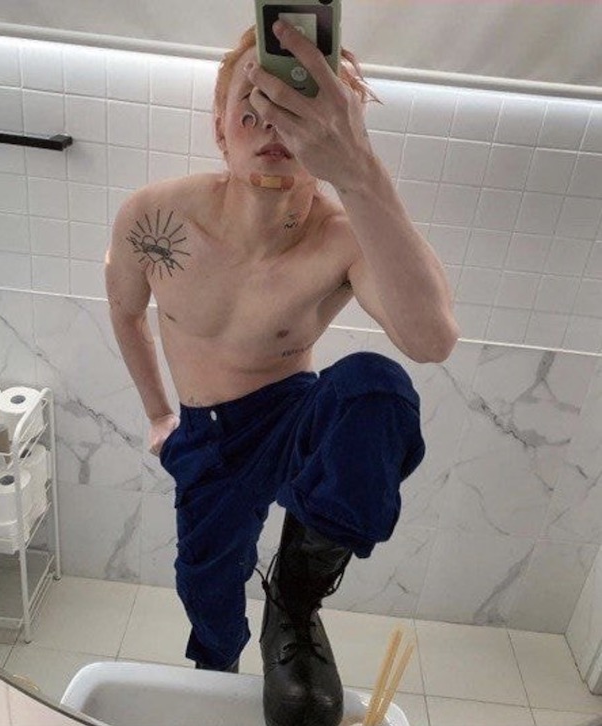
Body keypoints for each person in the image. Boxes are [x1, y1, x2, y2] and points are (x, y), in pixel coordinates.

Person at [105, 18, 459, 726]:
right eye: (254, 103)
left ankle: (294, 601)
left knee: (377, 387)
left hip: (291, 414)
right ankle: (217, 677)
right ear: (219, 127)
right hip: (206, 433)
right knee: (206, 585)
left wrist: (360, 170)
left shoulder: (341, 236)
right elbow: (125, 312)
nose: (273, 123)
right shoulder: (154, 217)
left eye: (301, 107)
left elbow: (431, 339)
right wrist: (158, 414)